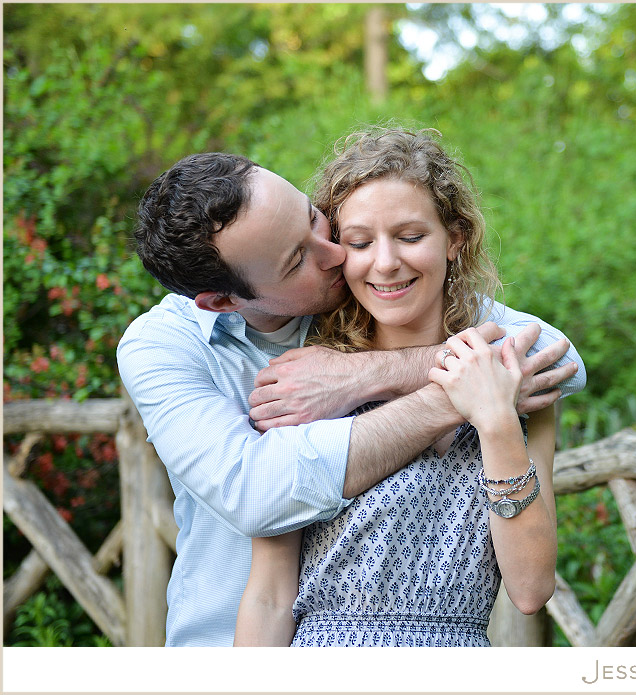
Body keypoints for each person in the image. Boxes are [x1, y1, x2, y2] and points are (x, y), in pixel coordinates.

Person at [117, 148, 585, 646]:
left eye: (316, 219)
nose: (337, 254)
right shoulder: (171, 350)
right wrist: (466, 393)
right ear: (225, 302)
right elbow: (260, 498)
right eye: (300, 258)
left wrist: (359, 375)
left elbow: (555, 357)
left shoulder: (360, 330)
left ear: (456, 239)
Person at [233, 126, 561, 647]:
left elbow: (530, 588)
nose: (385, 262)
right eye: (360, 243)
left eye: (411, 237)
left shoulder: (515, 382)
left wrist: (496, 418)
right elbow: (270, 596)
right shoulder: (307, 388)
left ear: (455, 238)